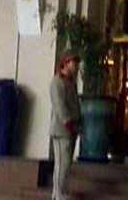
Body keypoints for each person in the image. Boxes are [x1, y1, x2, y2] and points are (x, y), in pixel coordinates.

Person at [50, 50, 81, 200]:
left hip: (71, 128)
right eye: (74, 62)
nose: (76, 66)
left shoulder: (71, 82)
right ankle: (59, 193)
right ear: (66, 63)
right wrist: (68, 123)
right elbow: (60, 106)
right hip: (62, 129)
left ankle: (59, 192)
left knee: (65, 164)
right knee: (62, 163)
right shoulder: (57, 82)